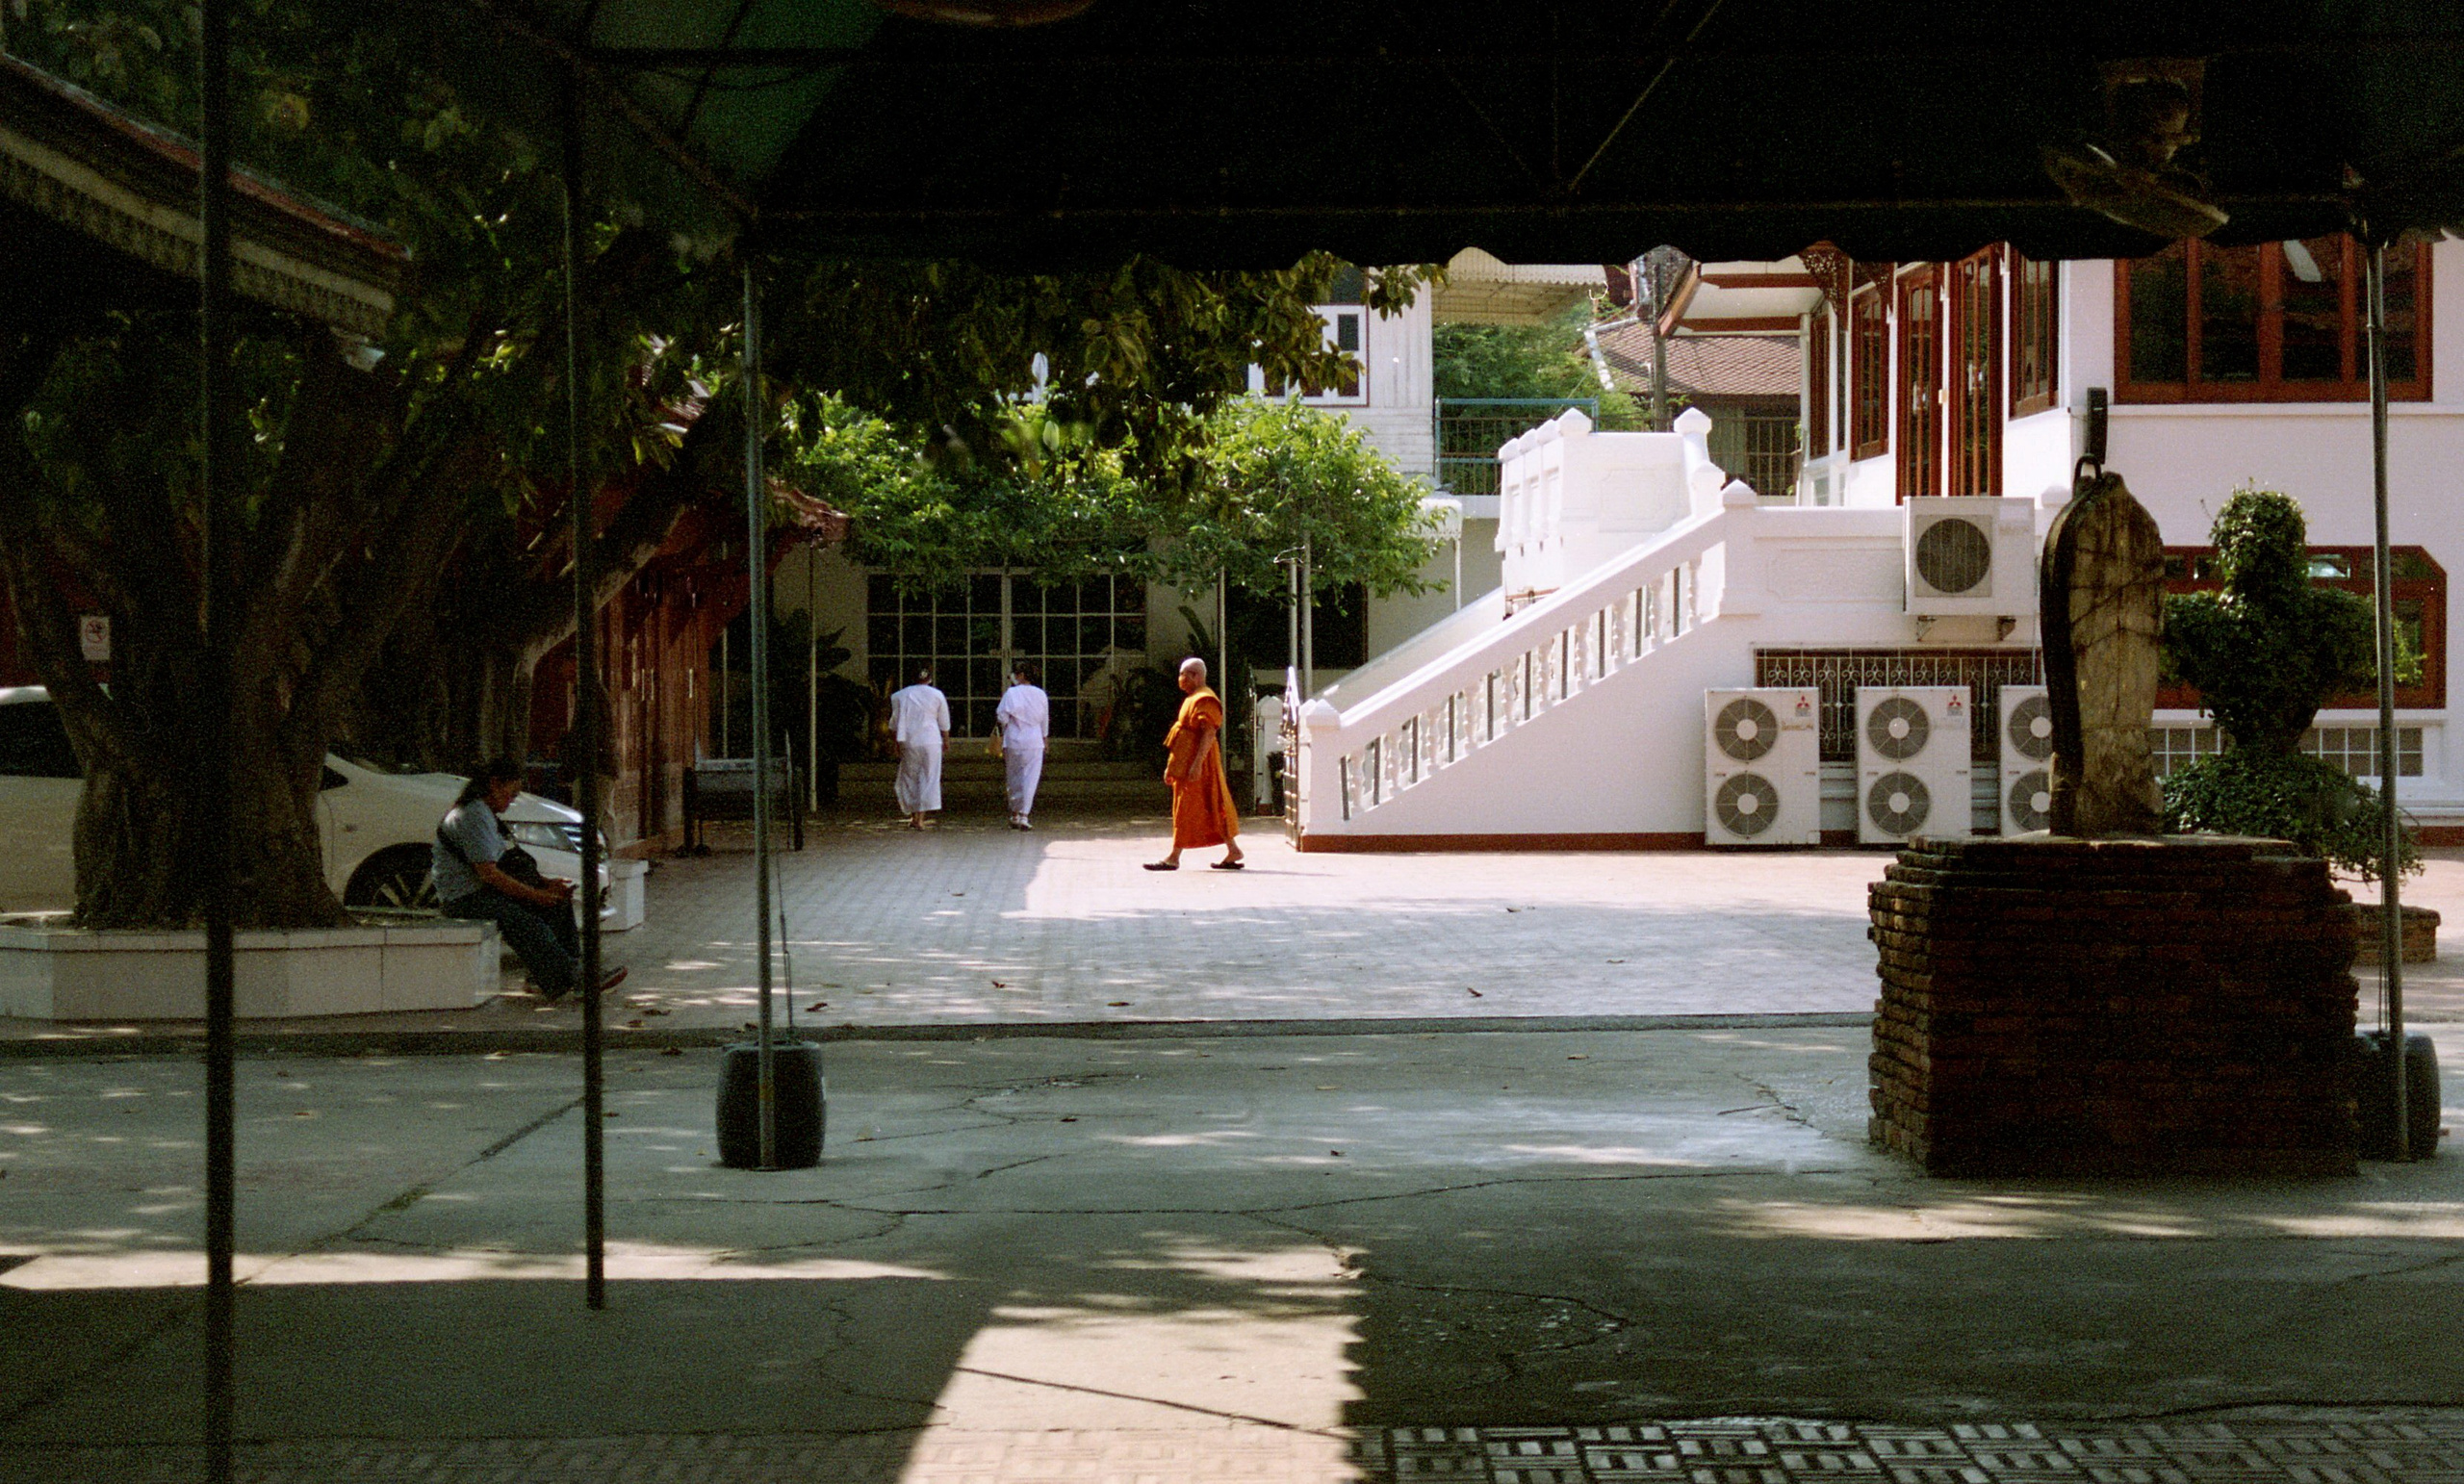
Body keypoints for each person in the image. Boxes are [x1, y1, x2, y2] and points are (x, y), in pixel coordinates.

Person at [433, 759, 625, 1002]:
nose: (512, 800)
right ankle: (575, 976)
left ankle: (564, 973)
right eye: (511, 793)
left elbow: (508, 865)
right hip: (466, 897)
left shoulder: (487, 815)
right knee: (524, 922)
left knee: (558, 904)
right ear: (494, 784)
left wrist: (546, 884)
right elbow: (488, 873)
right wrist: (536, 895)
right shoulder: (472, 815)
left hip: (486, 891)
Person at [1146, 656, 1245, 871]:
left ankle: (1174, 857)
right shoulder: (1193, 697)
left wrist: (1197, 764)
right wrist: (1172, 766)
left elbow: (1208, 733)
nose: (1180, 679)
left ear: (1196, 676)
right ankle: (1233, 850)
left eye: (1184, 675)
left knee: (1191, 807)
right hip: (1185, 761)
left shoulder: (1205, 699)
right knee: (1208, 806)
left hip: (1199, 764)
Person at [888, 666, 951, 829]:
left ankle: (914, 815)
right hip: (931, 740)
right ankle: (921, 817)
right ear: (929, 679)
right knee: (929, 777)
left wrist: (895, 743)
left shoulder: (900, 696)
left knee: (910, 777)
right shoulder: (937, 695)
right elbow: (943, 721)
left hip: (909, 740)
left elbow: (894, 724)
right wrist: (946, 740)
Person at [994, 661, 1052, 831]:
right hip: (1034, 739)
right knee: (1030, 777)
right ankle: (1024, 814)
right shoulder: (1040, 694)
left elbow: (1002, 716)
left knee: (1013, 776)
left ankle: (1015, 812)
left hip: (1013, 739)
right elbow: (1044, 719)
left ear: (1020, 675)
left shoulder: (1012, 693)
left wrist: (1008, 725)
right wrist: (1045, 738)